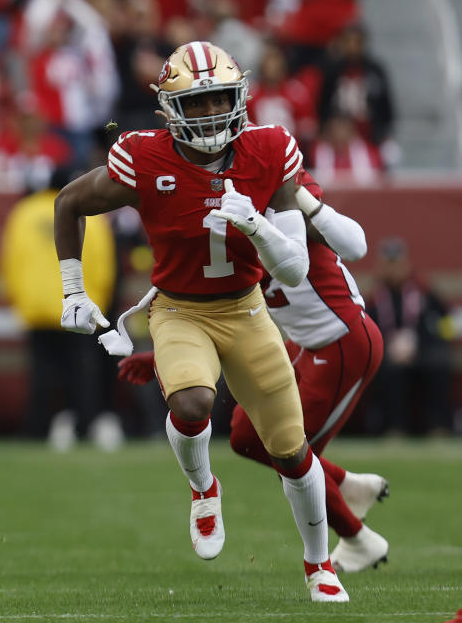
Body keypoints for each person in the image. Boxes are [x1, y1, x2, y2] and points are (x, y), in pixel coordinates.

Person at [54, 41, 348, 602]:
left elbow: (293, 269)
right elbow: (68, 203)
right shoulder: (144, 155)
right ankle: (203, 488)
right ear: (169, 109)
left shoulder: (267, 148)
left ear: (238, 99)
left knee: (291, 449)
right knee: (189, 404)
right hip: (179, 308)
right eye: (199, 102)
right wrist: (72, 288)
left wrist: (258, 228)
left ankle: (319, 563)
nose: (211, 113)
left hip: (247, 308)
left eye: (218, 99)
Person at [119, 169, 390, 573]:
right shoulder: (215, 204)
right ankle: (349, 485)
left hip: (341, 341)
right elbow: (198, 289)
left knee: (289, 452)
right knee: (247, 435)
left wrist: (303, 202)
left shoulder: (279, 189)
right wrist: (166, 347)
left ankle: (357, 538)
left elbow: (354, 244)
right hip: (303, 340)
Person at [0, 168, 117, 449]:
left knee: (41, 374)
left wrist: (21, 301)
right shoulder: (92, 215)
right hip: (77, 307)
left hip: (36, 309)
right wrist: (97, 301)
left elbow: (10, 263)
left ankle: (37, 428)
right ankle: (84, 426)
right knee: (82, 374)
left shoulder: (24, 213)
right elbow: (103, 265)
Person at [366, 238, 454, 436]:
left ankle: (437, 427)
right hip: (388, 352)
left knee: (438, 365)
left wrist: (423, 343)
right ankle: (394, 428)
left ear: (406, 264)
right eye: (388, 264)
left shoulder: (423, 291)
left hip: (422, 349)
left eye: (397, 264)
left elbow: (445, 321)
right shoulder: (374, 298)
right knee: (388, 372)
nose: (394, 270)